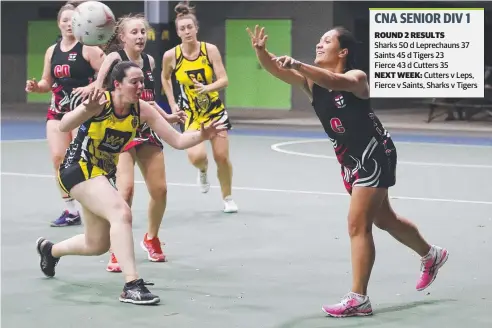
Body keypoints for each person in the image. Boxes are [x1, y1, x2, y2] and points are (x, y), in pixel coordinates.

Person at [247, 25, 449, 317]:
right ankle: (432, 255)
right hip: (350, 161)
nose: (319, 44)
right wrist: (262, 53)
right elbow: (277, 71)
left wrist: (299, 64)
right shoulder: (311, 82)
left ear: (342, 51)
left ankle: (359, 299)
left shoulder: (357, 78)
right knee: (384, 219)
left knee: (357, 224)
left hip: (375, 155)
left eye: (326, 40)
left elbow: (334, 80)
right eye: (318, 39)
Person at [35, 60, 227, 305]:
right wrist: (86, 110)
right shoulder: (100, 101)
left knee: (97, 244)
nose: (140, 87)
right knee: (121, 212)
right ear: (117, 84)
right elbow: (64, 124)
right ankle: (131, 285)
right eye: (133, 82)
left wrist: (203, 134)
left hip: (101, 175)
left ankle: (49, 251)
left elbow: (177, 141)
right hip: (77, 169)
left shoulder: (142, 109)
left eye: (142, 82)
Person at [95, 14, 186, 272]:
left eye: (142, 32)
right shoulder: (114, 60)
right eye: (134, 32)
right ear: (122, 37)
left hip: (146, 131)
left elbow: (147, 98)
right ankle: (117, 249)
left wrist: (166, 116)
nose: (140, 36)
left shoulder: (149, 61)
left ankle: (151, 238)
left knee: (160, 191)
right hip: (122, 132)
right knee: (125, 192)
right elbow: (98, 91)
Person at [25, 3, 105, 227]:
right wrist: (36, 87)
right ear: (58, 23)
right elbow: (46, 82)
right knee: (58, 159)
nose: (69, 24)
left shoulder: (89, 48)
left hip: (84, 113)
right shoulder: (53, 51)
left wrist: (92, 88)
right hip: (58, 112)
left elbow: (107, 75)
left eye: (73, 20)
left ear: (80, 23)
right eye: (65, 20)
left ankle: (95, 205)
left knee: (84, 161)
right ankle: (70, 210)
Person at [162, 2, 238, 213]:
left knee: (221, 157)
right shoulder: (172, 56)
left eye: (190, 27)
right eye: (182, 28)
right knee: (197, 157)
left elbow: (224, 80)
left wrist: (207, 88)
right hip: (190, 114)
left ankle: (228, 197)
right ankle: (202, 170)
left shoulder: (209, 50)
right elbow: (165, 79)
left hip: (213, 111)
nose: (187, 31)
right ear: (177, 32)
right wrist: (172, 104)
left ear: (196, 28)